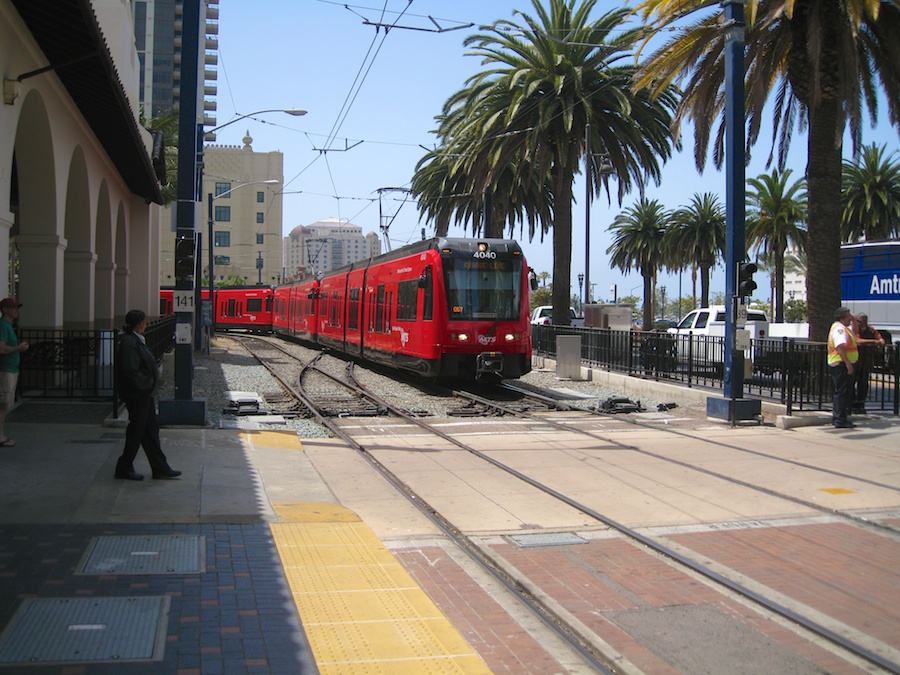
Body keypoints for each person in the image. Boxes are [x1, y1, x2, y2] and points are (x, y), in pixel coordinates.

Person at [115, 309, 181, 480]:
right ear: (140, 324)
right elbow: (130, 370)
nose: (146, 324)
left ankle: (160, 467)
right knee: (137, 431)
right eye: (144, 322)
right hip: (138, 395)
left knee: (150, 430)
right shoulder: (130, 343)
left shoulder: (135, 340)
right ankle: (124, 466)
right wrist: (147, 385)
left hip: (144, 395)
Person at [0, 298, 28, 447]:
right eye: (13, 308)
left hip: (10, 370)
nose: (16, 310)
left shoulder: (8, 326)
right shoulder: (3, 326)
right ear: (5, 309)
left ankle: (1, 435)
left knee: (4, 405)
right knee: (2, 404)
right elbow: (1, 348)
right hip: (5, 371)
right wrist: (18, 348)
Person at [827, 307, 859, 428]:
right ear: (842, 317)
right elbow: (840, 347)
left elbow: (855, 331)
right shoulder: (839, 329)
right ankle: (840, 419)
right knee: (842, 393)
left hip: (842, 364)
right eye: (848, 315)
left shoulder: (845, 328)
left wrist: (855, 320)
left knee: (842, 393)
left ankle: (839, 418)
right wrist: (848, 364)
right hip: (841, 365)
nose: (850, 317)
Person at [851, 313, 885, 414]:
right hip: (855, 361)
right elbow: (857, 341)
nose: (863, 323)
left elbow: (879, 338)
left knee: (863, 384)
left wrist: (881, 341)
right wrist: (874, 342)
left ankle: (861, 405)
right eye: (861, 321)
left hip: (866, 362)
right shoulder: (855, 330)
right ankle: (852, 404)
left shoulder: (871, 330)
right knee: (851, 383)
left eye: (865, 321)